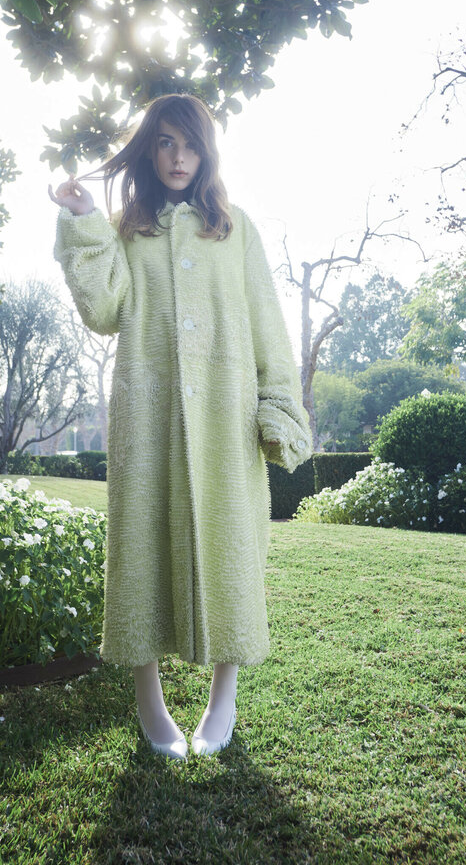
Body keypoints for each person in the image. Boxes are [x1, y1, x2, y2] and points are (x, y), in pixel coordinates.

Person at [48, 94, 312, 761]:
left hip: (227, 422)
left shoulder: (235, 228)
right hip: (147, 417)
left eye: (190, 144)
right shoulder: (127, 229)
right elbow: (103, 311)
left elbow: (268, 325)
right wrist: (83, 219)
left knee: (233, 550)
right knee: (140, 549)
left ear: (207, 152)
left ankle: (224, 699)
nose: (178, 156)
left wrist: (278, 406)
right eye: (165, 142)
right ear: (149, 150)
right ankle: (150, 700)